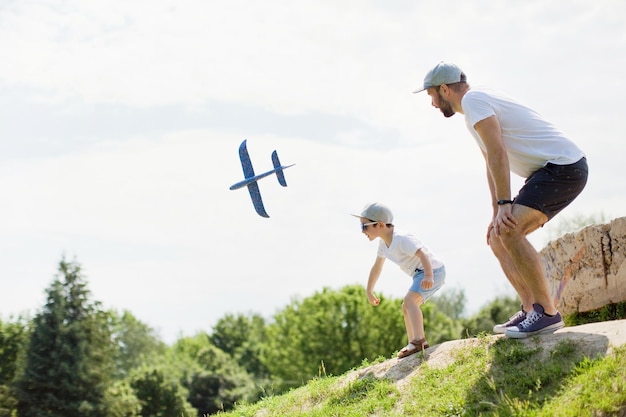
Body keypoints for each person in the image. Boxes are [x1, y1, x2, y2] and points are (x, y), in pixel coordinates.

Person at [415, 62, 588, 338]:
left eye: (432, 96)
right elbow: (490, 162)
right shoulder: (474, 108)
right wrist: (496, 211)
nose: (433, 103)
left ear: (444, 89)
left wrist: (506, 205)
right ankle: (532, 308)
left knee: (510, 230)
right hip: (550, 171)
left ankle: (547, 313)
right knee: (499, 235)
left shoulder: (474, 101)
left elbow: (499, 153)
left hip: (564, 166)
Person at [353, 202, 446, 358]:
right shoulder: (383, 244)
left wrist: (429, 275)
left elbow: (422, 254)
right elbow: (377, 267)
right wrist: (369, 290)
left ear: (380, 224)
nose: (362, 231)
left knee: (409, 301)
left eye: (364, 226)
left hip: (433, 270)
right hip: (420, 273)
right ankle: (413, 342)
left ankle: (419, 341)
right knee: (406, 306)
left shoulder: (401, 238)